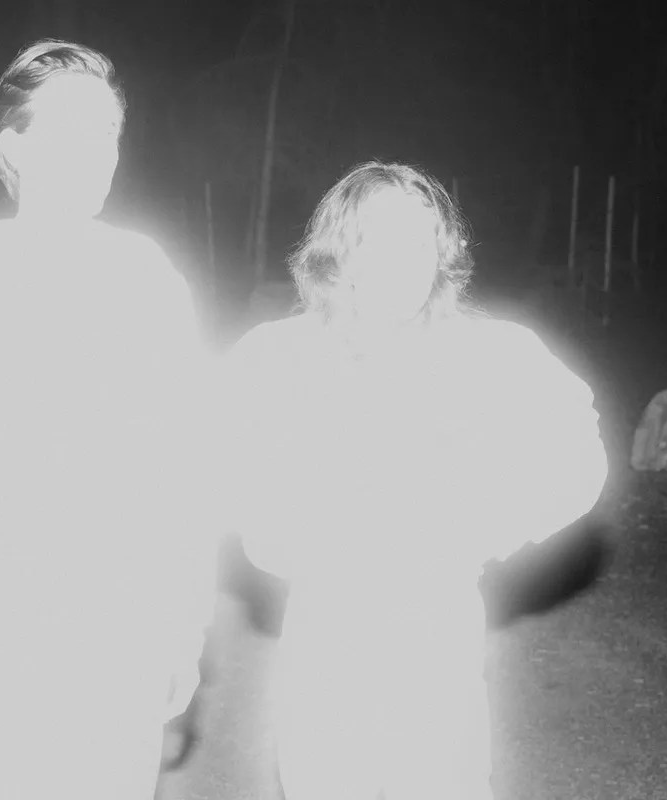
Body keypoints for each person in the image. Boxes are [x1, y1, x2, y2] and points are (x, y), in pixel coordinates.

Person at [0, 39, 217, 800]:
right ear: (14, 148)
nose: (100, 151)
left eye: (110, 132)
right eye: (74, 128)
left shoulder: (151, 287)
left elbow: (184, 475)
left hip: (118, 649)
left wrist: (183, 629)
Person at [219, 161, 610, 800]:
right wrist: (277, 535)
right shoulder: (281, 357)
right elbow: (220, 462)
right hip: (329, 632)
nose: (410, 259)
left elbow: (576, 447)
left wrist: (497, 525)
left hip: (437, 632)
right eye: (386, 238)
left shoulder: (487, 354)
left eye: (424, 240)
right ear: (343, 251)